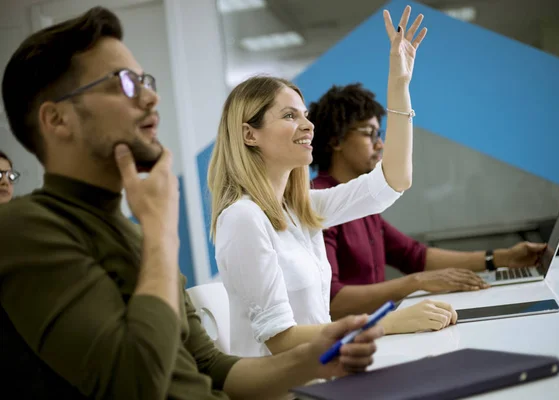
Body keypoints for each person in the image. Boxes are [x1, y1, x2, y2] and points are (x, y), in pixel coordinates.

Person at [0, 7, 384, 399]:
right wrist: (162, 234)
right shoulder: (25, 230)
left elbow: (213, 367)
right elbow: (135, 383)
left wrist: (317, 356)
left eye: (145, 80)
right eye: (123, 83)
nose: (151, 96)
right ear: (57, 120)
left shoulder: (130, 232)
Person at [209, 5, 458, 359]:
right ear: (249, 134)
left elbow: (394, 181)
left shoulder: (302, 209)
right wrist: (388, 323)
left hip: (326, 370)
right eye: (289, 116)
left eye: (305, 116)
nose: (308, 126)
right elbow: (280, 339)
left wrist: (399, 85)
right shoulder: (243, 219)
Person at [309, 83, 547, 319]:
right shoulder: (318, 201)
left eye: (379, 134)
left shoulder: (361, 201)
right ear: (335, 141)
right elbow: (332, 301)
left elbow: (414, 255)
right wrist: (416, 282)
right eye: (369, 133)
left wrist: (503, 258)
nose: (380, 144)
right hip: (347, 341)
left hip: (375, 328)